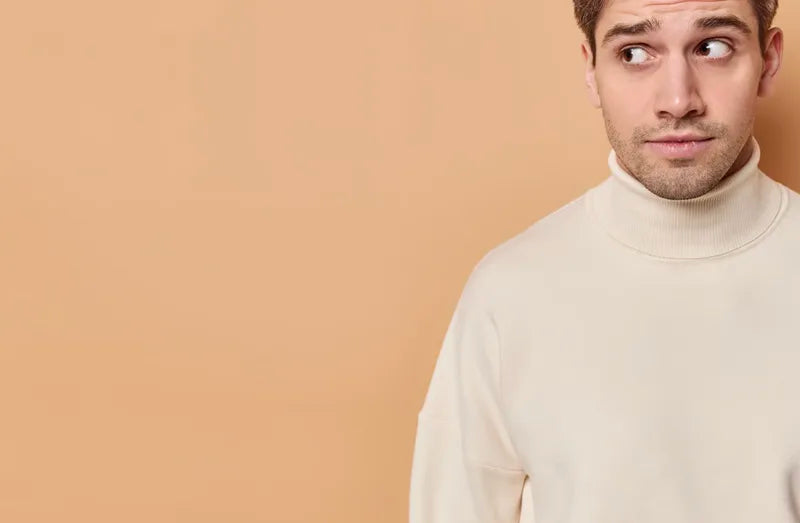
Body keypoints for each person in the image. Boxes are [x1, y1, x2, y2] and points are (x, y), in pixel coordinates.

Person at [408, 0, 800, 521]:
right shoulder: (509, 293)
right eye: (635, 52)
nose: (678, 100)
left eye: (712, 47)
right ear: (591, 70)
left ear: (768, 60)